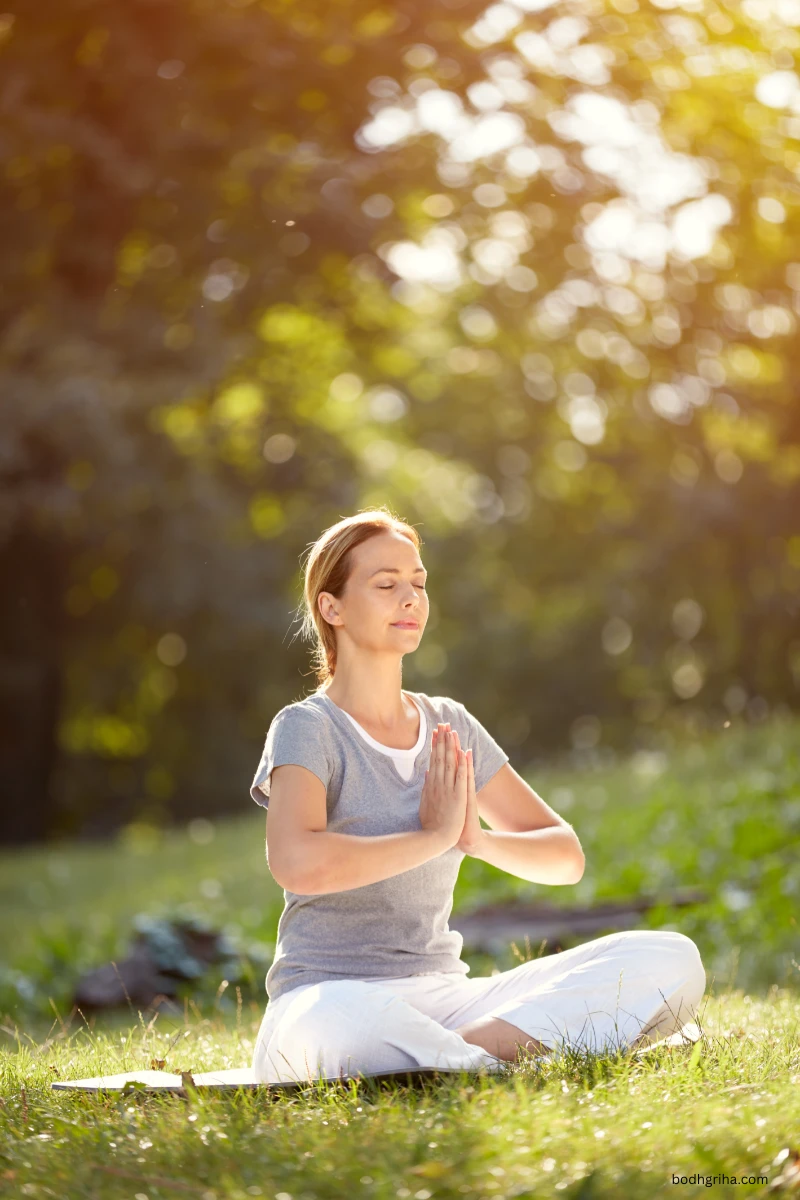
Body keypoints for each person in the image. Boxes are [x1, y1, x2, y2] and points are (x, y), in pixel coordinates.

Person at [249, 508, 705, 1084]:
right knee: (346, 1024)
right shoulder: (308, 726)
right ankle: (491, 1058)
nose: (411, 598)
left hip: (445, 998)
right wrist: (430, 838)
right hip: (328, 998)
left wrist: (476, 840)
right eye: (387, 585)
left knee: (669, 959)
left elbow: (565, 857)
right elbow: (296, 863)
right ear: (331, 607)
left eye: (418, 583)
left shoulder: (449, 725)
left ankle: (455, 1059)